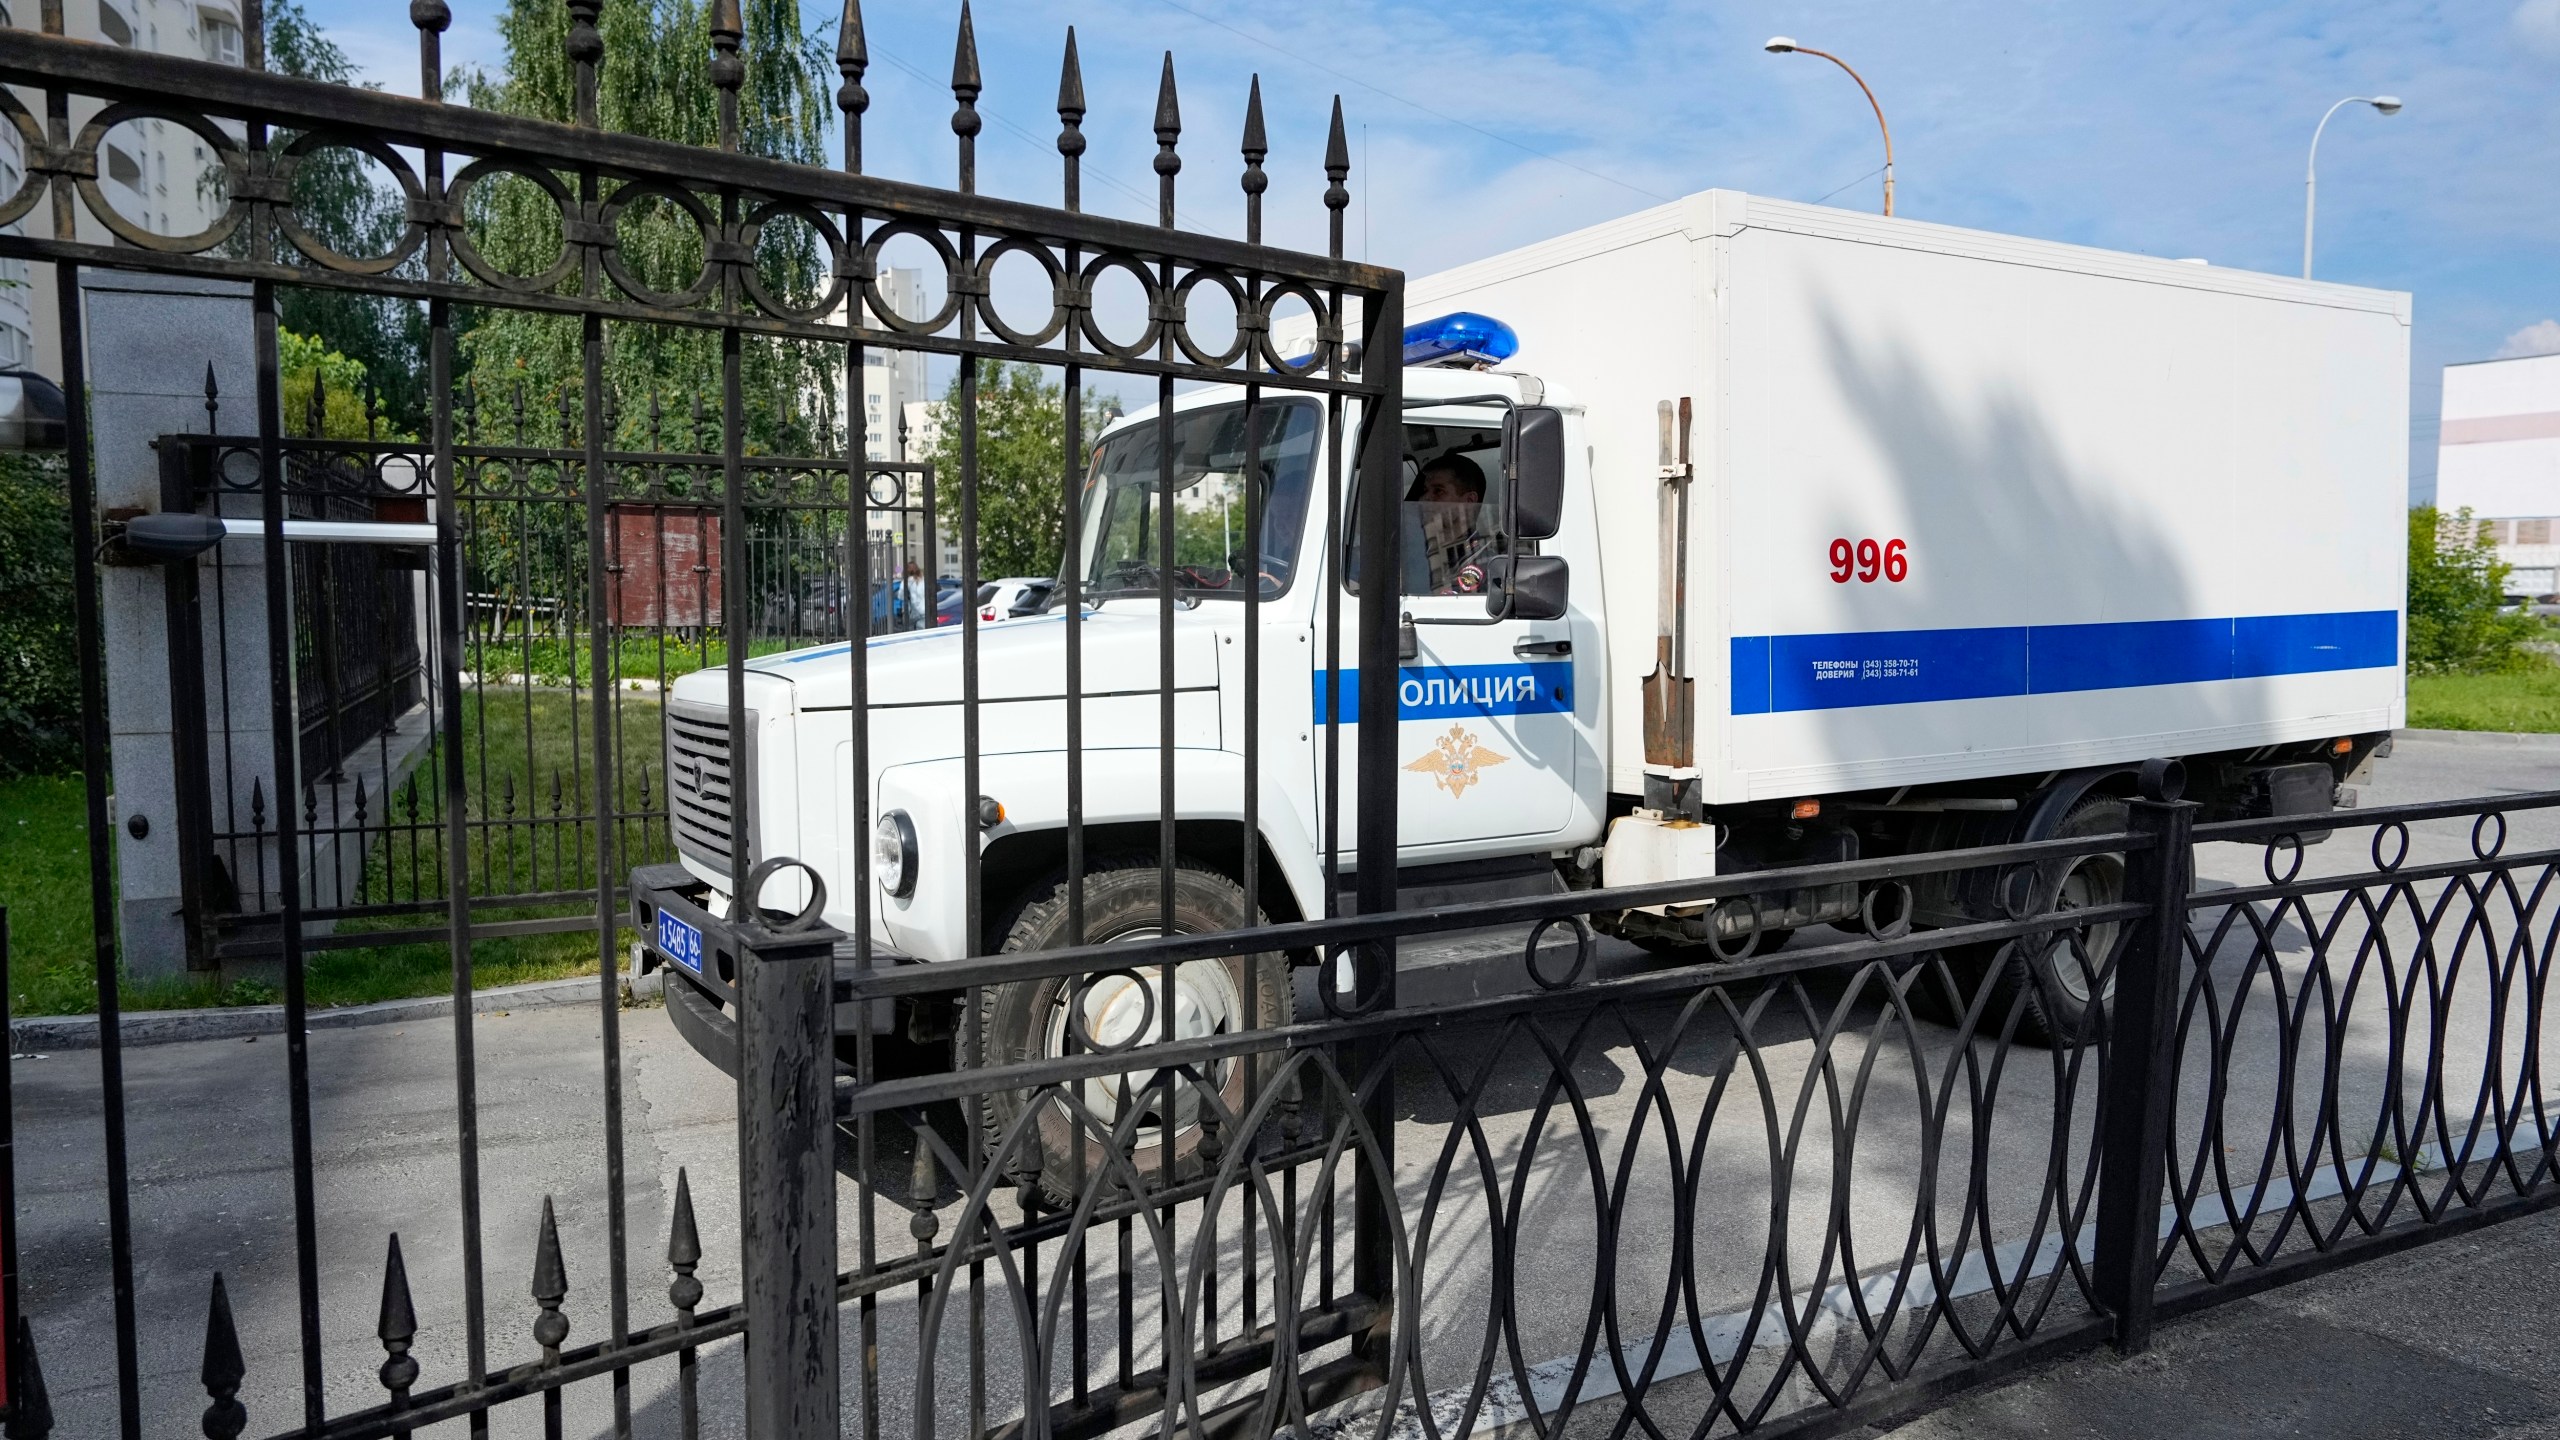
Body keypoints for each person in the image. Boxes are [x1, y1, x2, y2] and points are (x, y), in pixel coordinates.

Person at [1408, 451, 1494, 595]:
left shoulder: (1482, 561)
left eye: (1438, 491)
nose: (1425, 499)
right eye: (1424, 490)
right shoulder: (1417, 553)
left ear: (1469, 502)